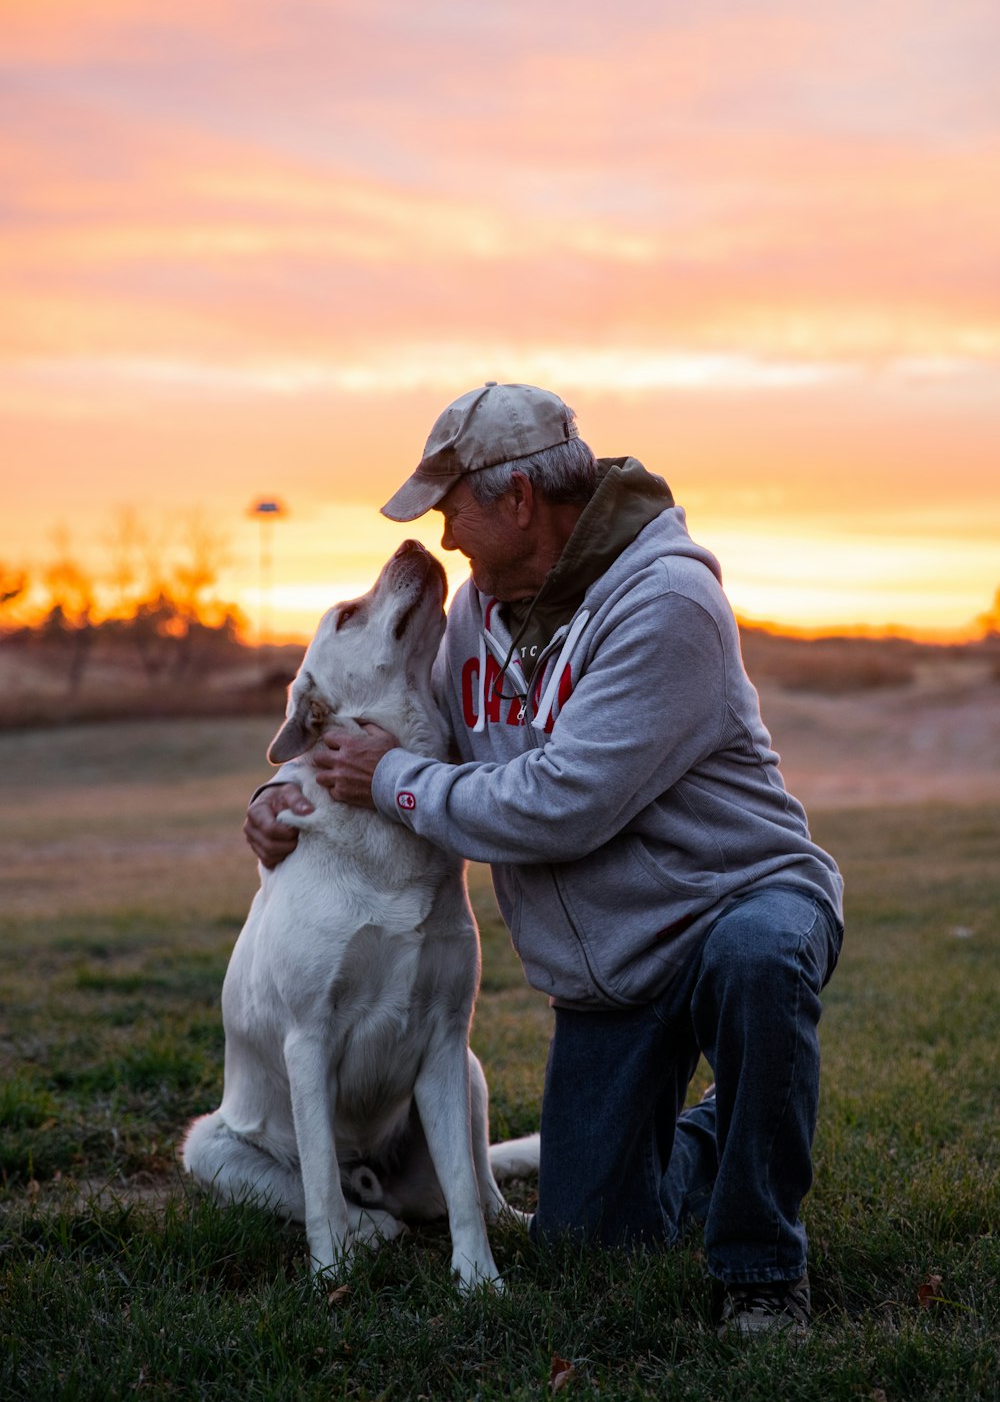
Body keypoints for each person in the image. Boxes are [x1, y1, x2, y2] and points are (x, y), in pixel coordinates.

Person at [245, 381, 843, 1339]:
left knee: (758, 963)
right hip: (614, 968)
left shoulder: (667, 601)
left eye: (453, 511)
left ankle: (762, 1270)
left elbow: (564, 803)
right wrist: (278, 802)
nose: (446, 539)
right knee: (589, 1241)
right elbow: (393, 724)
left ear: (517, 499)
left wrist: (392, 776)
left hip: (738, 900)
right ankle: (732, 1120)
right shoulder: (483, 610)